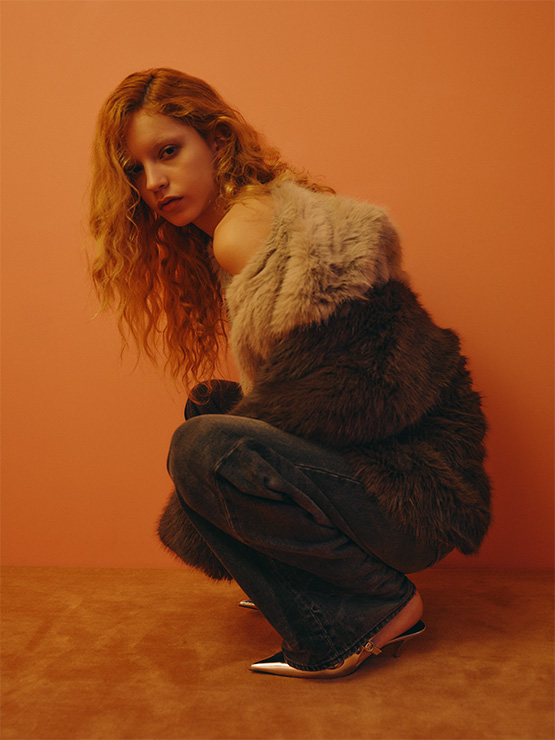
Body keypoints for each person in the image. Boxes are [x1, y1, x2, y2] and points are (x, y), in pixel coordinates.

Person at [89, 68, 491, 678]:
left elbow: (364, 386)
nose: (154, 182)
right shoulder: (260, 215)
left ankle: (370, 607)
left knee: (204, 447)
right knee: (211, 413)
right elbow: (328, 380)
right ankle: (314, 581)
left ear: (217, 140)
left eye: (168, 152)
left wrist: (227, 441)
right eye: (135, 170)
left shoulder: (240, 232)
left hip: (409, 494)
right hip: (408, 483)